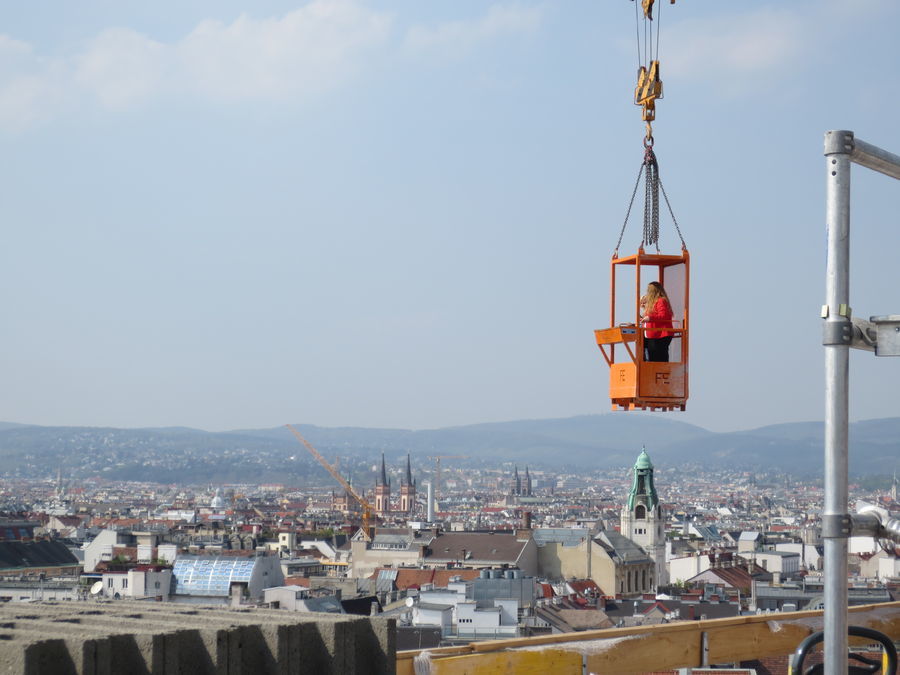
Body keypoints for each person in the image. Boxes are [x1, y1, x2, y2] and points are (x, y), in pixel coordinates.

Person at [640, 281, 674, 362]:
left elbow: (664, 315)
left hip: (661, 334)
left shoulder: (661, 301)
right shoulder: (653, 303)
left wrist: (649, 318)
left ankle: (661, 371)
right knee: (651, 354)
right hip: (654, 334)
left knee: (658, 356)